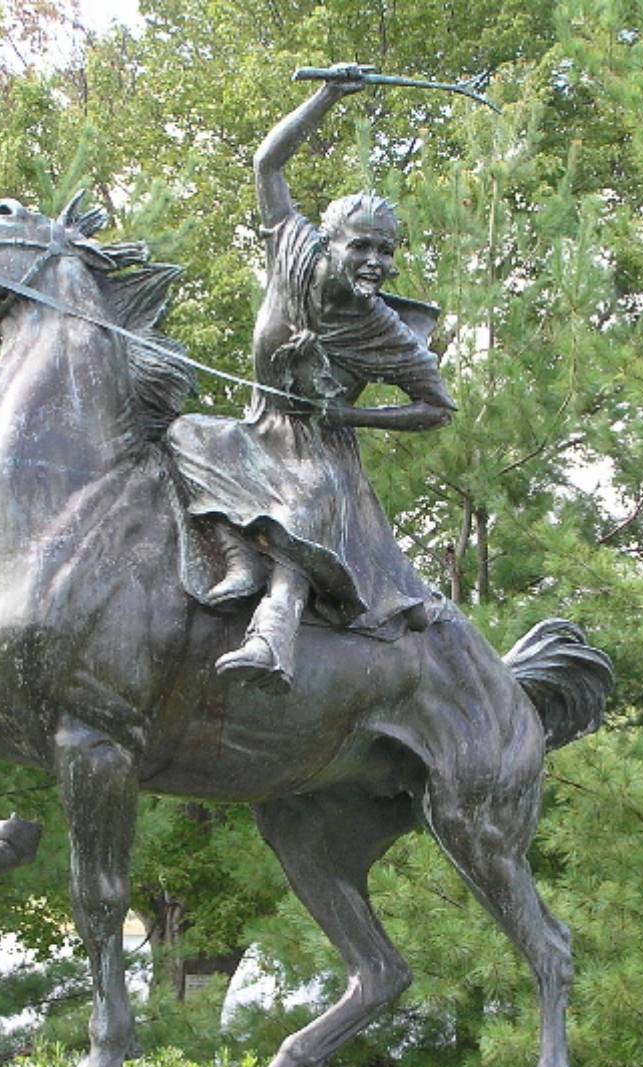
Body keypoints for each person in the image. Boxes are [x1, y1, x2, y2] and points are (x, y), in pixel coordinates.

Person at [168, 65, 456, 692]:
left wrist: (352, 417)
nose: (376, 262)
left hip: (321, 449)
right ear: (331, 242)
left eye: (387, 250)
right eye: (362, 247)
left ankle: (274, 638)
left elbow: (437, 406)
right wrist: (325, 97)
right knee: (188, 434)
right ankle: (242, 563)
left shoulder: (386, 331)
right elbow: (267, 164)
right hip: (261, 425)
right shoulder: (293, 246)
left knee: (303, 505)